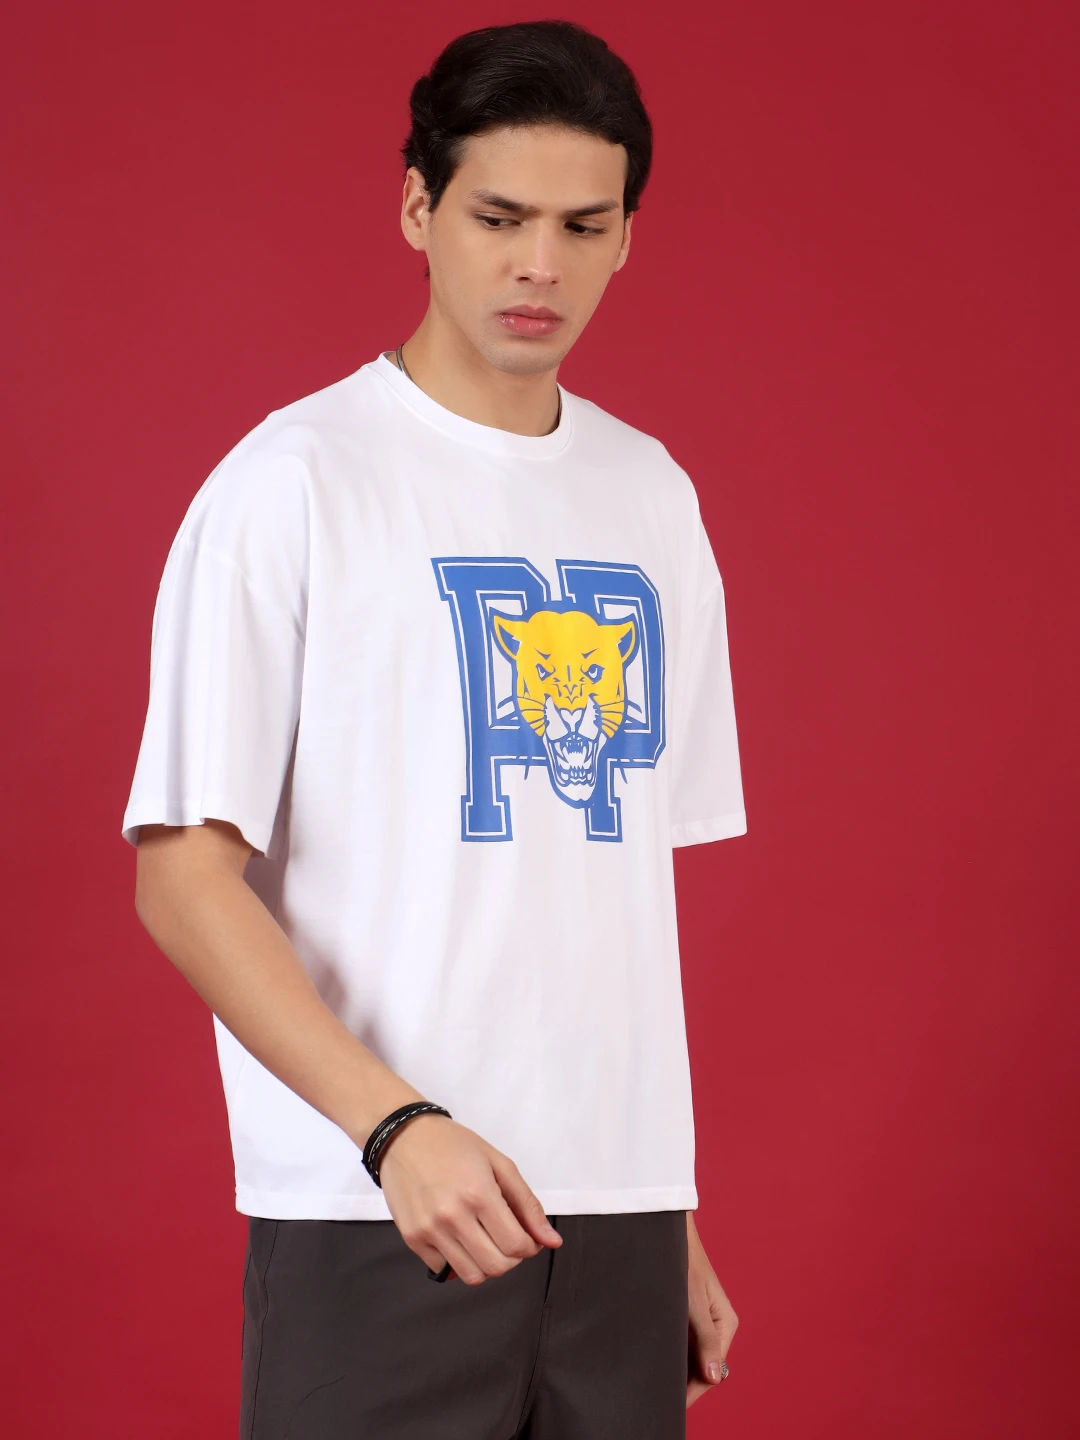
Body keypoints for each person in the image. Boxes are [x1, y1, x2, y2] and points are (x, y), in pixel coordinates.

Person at [122, 19, 747, 1439]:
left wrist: (661, 1198)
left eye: (583, 226)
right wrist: (392, 1127)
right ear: (418, 209)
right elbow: (182, 876)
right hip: (378, 1209)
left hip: (614, 1225)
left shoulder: (652, 498)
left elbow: (600, 899)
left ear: (628, 237)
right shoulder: (294, 483)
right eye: (499, 217)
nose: (541, 266)